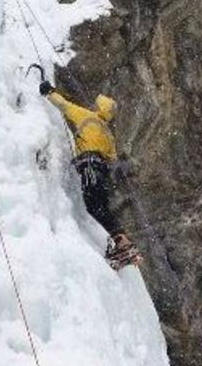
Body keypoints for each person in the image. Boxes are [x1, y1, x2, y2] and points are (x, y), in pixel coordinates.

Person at [39, 78, 142, 270]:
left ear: (98, 107)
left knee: (93, 206)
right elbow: (112, 159)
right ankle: (120, 243)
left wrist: (48, 92)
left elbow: (64, 105)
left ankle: (122, 242)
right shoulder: (109, 134)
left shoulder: (86, 115)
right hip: (101, 170)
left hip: (89, 165)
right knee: (100, 206)